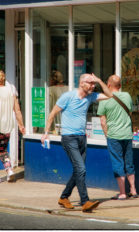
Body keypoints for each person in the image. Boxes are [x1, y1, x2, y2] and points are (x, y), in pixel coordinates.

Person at [41, 73, 112, 213]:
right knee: (81, 169)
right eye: (90, 83)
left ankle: (64, 197)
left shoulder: (90, 97)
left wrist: (99, 80)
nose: (93, 86)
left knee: (78, 171)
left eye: (93, 84)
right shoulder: (68, 97)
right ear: (82, 83)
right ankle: (85, 201)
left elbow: (110, 95)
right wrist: (46, 132)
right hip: (69, 138)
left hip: (82, 138)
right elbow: (53, 113)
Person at [97, 75, 138, 200]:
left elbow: (103, 121)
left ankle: (122, 193)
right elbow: (130, 111)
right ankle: (133, 190)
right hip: (127, 135)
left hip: (114, 136)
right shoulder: (127, 96)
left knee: (118, 163)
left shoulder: (104, 99)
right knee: (129, 162)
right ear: (120, 86)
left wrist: (107, 135)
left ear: (108, 85)